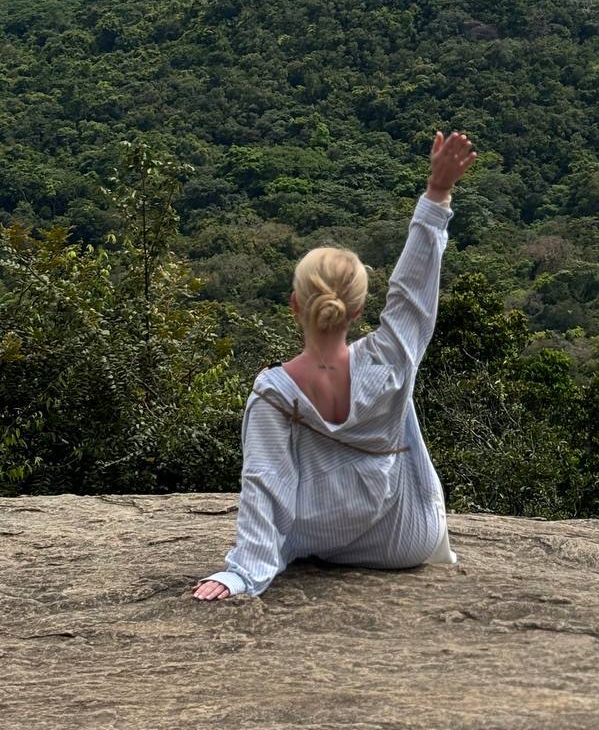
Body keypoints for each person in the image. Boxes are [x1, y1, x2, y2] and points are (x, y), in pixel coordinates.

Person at [192, 129, 476, 600]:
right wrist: (438, 192)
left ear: (294, 305)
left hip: (317, 541)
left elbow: (264, 482)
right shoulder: (390, 360)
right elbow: (413, 294)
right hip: (403, 540)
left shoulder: (273, 393)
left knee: (281, 512)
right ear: (358, 310)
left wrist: (242, 574)